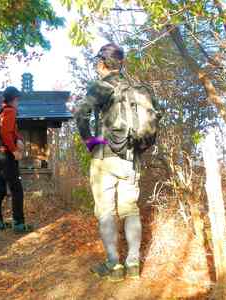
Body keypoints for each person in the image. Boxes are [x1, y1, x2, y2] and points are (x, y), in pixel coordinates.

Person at [75, 44, 153, 281]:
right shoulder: (135, 88)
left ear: (101, 63)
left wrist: (89, 140)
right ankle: (133, 264)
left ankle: (114, 265)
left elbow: (80, 112)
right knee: (130, 209)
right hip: (131, 158)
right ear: (122, 63)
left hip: (104, 156)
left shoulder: (102, 85)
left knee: (106, 211)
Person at [0, 86, 33, 233]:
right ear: (14, 99)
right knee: (16, 188)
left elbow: (10, 131)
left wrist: (19, 138)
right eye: (17, 99)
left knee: (0, 187)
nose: (18, 102)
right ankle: (19, 224)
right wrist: (14, 151)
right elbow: (6, 133)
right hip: (5, 155)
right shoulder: (10, 111)